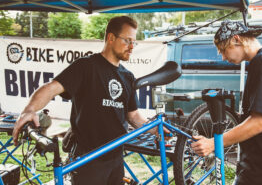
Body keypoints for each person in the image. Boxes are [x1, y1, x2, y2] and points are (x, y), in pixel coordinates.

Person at [12, 16, 160, 185]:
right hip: (88, 159)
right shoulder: (86, 66)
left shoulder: (128, 77)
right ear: (111, 38)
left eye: (135, 42)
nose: (132, 47)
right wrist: (29, 110)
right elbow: (51, 88)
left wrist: (156, 130)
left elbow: (133, 117)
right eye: (127, 40)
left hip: (116, 158)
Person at [191, 20, 262, 185]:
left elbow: (259, 123)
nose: (223, 57)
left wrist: (213, 143)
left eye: (223, 50)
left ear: (236, 39)